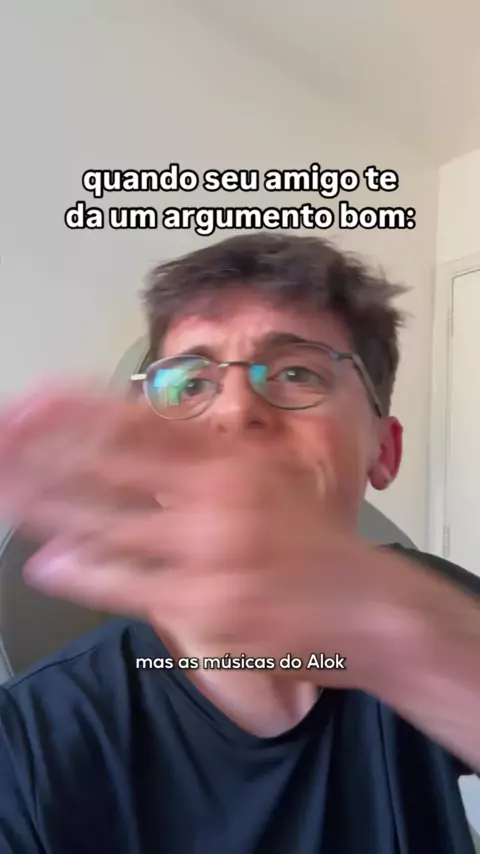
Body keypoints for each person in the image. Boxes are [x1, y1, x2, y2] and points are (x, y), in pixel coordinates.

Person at [0, 232, 479, 854]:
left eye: (297, 372)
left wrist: (404, 639)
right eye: (190, 384)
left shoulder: (442, 610)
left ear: (382, 451)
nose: (233, 410)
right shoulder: (29, 737)